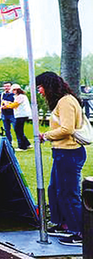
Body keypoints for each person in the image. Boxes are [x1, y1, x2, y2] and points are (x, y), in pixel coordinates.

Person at [36, 71, 87, 247]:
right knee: (55, 189)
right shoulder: (63, 101)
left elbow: (67, 128)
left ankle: (80, 232)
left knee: (68, 193)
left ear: (48, 86)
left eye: (40, 87)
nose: (39, 91)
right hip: (62, 152)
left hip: (69, 153)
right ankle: (63, 223)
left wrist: (46, 135)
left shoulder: (66, 101)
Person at [9, 84, 32, 150]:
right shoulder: (19, 96)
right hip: (20, 115)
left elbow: (14, 105)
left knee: (18, 130)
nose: (13, 92)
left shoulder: (20, 96)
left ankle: (22, 146)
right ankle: (27, 143)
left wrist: (6, 106)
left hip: (21, 115)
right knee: (19, 130)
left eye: (14, 90)